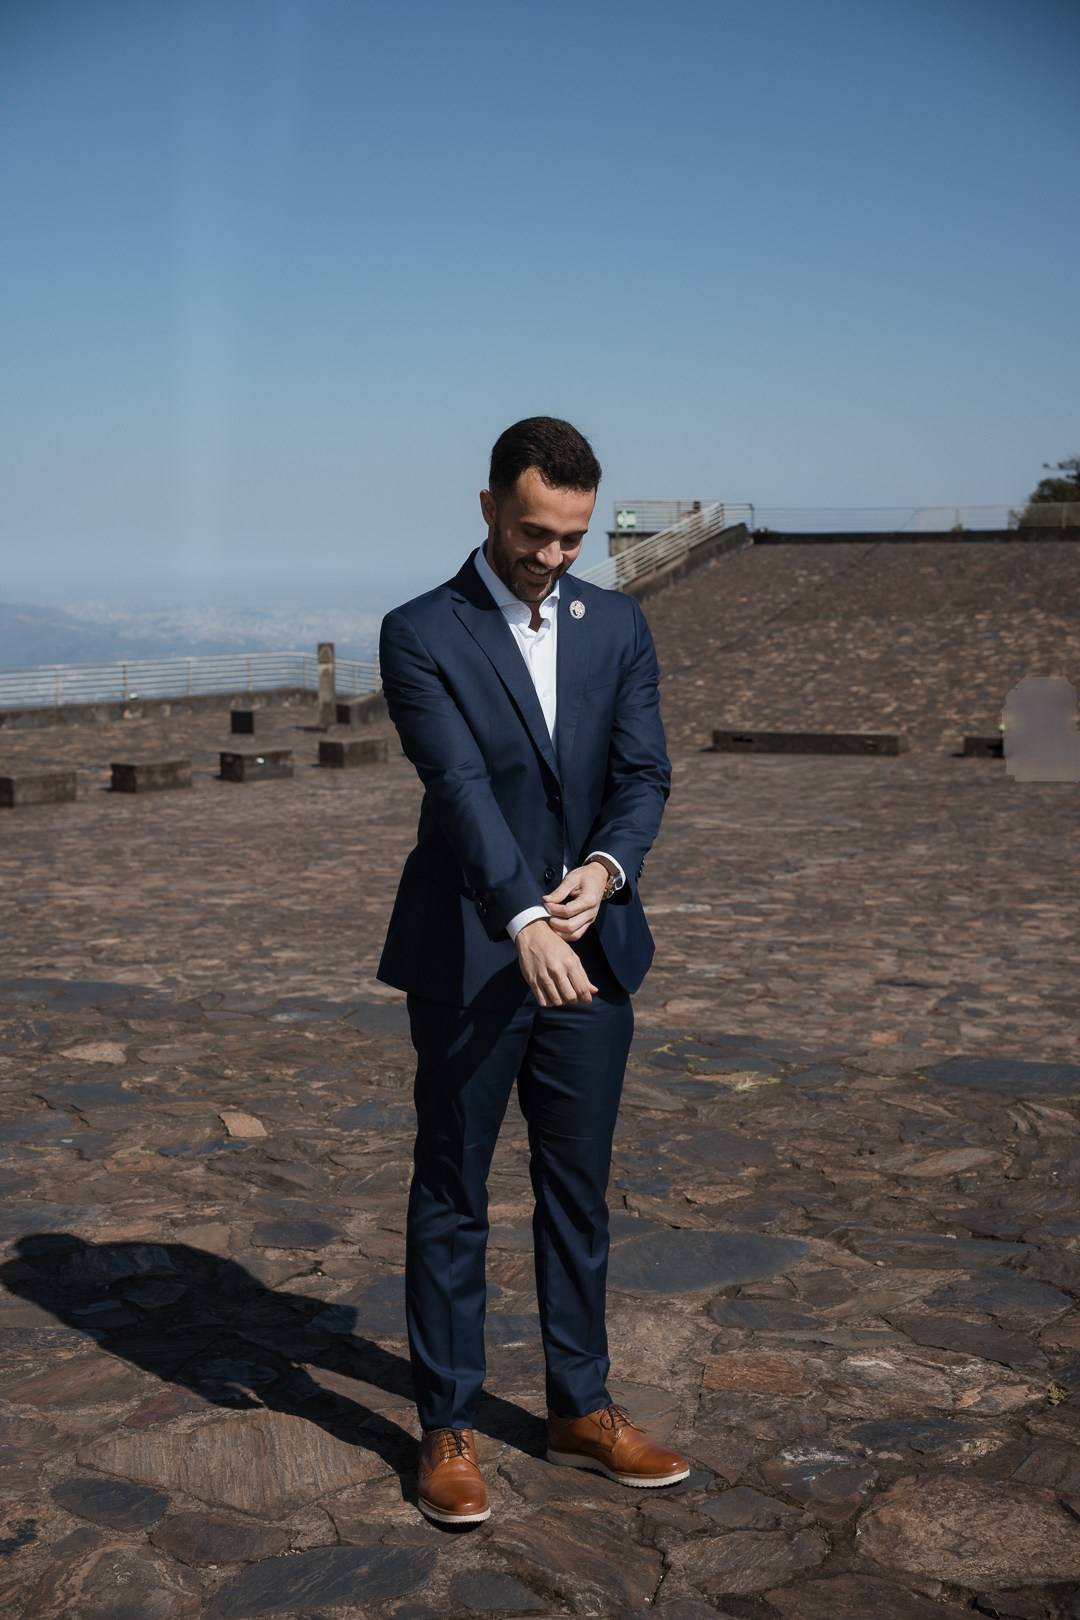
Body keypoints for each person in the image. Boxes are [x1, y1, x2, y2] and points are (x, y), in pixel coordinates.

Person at [377, 416, 688, 1524]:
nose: (551, 556)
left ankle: (580, 1411)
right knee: (453, 1190)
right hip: (472, 956)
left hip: (595, 955)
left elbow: (644, 774)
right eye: (532, 533)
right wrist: (522, 918)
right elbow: (458, 789)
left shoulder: (620, 625)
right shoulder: (420, 631)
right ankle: (447, 1425)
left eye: (572, 538)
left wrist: (606, 872)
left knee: (577, 1191)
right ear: (488, 509)